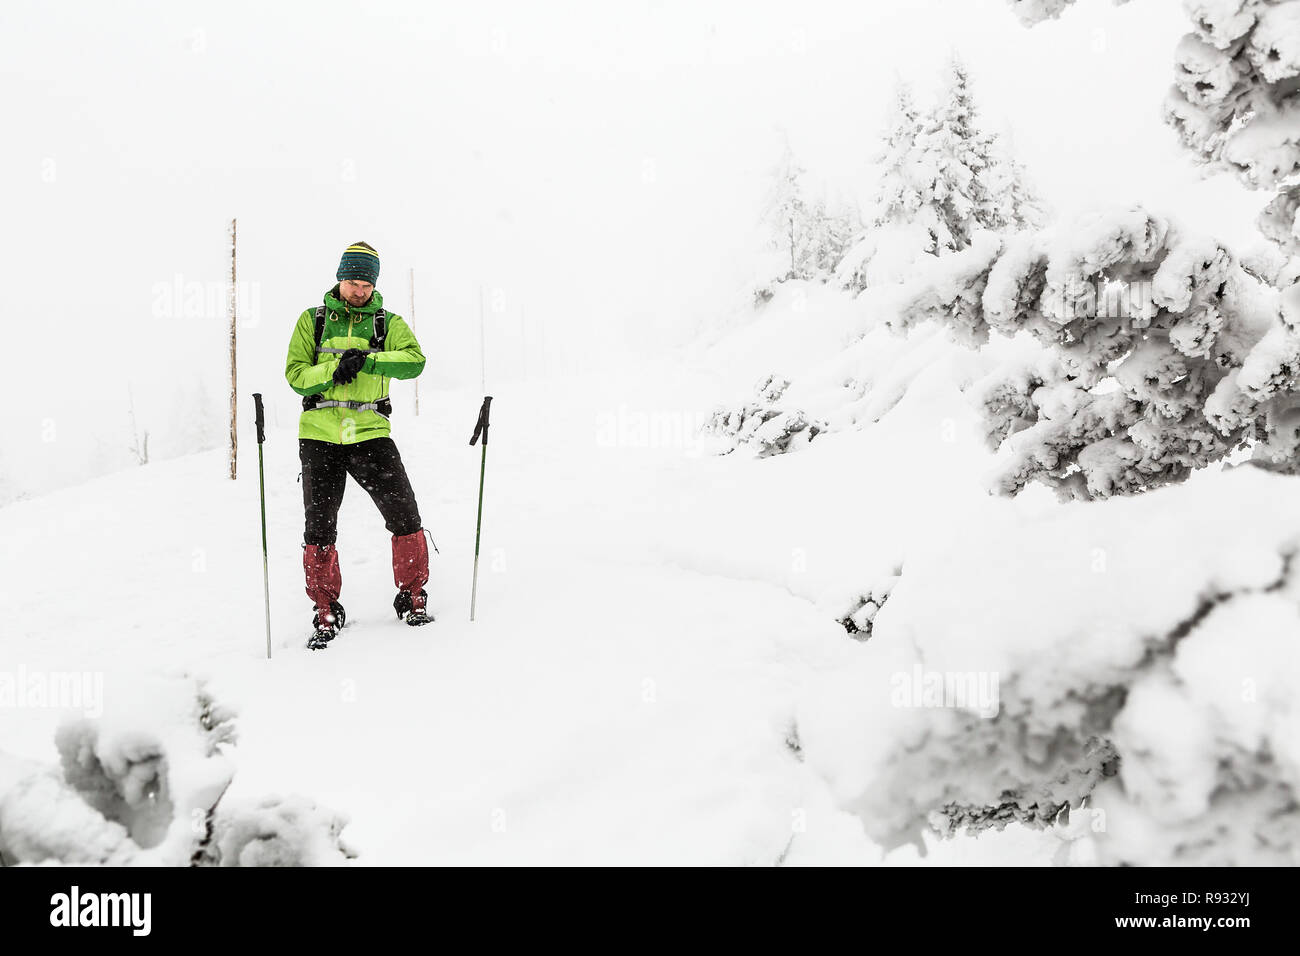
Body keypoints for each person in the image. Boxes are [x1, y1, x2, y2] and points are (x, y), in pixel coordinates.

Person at [284, 241, 431, 649]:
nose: (359, 291)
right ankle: (325, 608)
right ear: (339, 278)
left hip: (370, 434)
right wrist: (334, 367)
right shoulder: (311, 321)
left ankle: (412, 594)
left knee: (404, 513)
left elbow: (414, 360)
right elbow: (295, 375)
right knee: (319, 528)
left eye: (366, 284)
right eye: (352, 281)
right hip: (320, 436)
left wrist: (366, 359)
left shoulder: (387, 323)